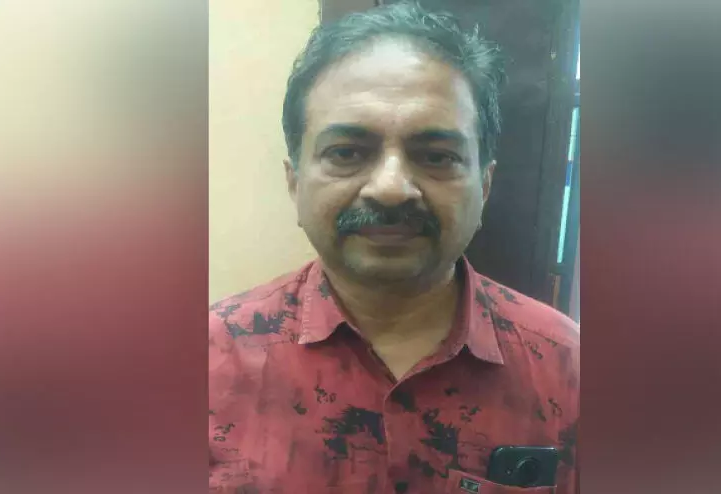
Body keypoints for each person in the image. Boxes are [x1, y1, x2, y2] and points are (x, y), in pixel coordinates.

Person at [209, 2, 579, 493]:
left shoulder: (570, 371)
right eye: (347, 152)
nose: (390, 188)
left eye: (436, 156)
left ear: (485, 187)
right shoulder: (207, 362)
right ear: (294, 183)